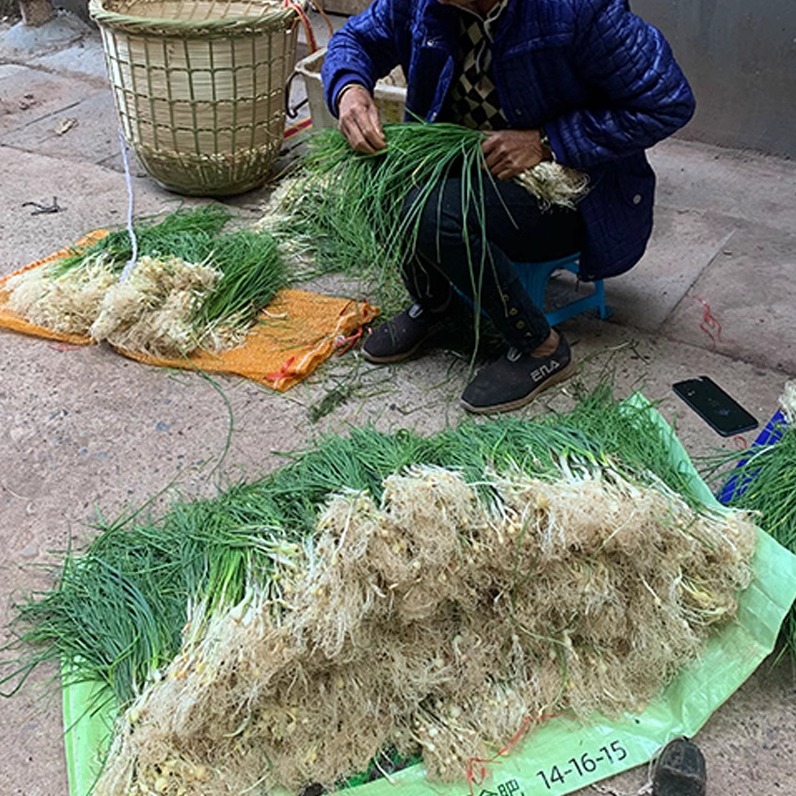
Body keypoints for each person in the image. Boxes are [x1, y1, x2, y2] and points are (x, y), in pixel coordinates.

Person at [321, 0, 695, 414]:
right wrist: (349, 89)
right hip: (470, 162)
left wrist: (547, 140)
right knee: (379, 184)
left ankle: (541, 348)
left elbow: (668, 100)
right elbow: (355, 38)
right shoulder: (423, 4)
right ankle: (437, 305)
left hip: (566, 188)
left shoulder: (576, 9)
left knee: (433, 213)